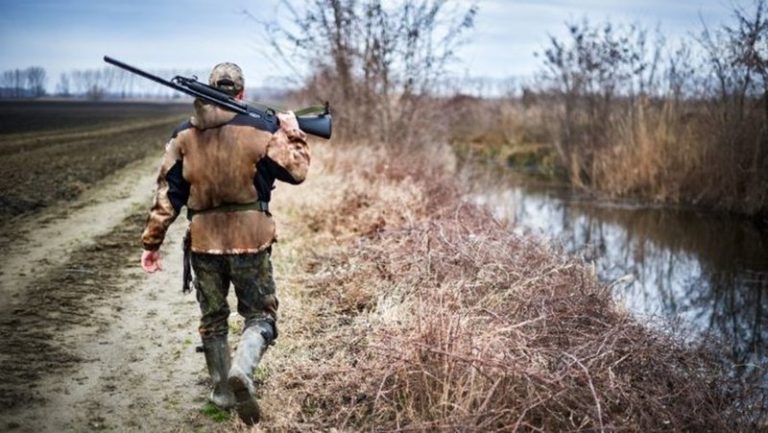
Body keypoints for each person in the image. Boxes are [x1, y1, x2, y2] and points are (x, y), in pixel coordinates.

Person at [139, 62, 310, 425]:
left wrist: (152, 242)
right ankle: (242, 372)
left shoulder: (183, 135)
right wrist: (293, 133)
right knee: (260, 315)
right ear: (242, 93)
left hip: (204, 243)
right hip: (252, 239)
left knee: (213, 319)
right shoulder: (262, 128)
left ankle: (220, 389)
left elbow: (167, 194)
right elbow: (297, 171)